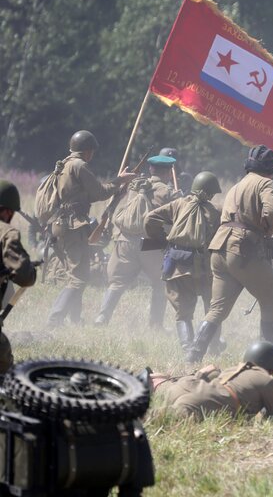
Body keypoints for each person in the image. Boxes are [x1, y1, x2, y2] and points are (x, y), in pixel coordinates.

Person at [185, 146, 273, 362]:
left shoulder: (236, 186)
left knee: (217, 308)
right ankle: (268, 356)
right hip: (243, 250)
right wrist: (268, 229)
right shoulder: (265, 182)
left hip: (219, 249)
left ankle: (194, 354)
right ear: (270, 168)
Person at [47, 130, 136, 328]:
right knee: (79, 277)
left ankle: (75, 319)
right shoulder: (80, 165)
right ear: (88, 151)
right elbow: (99, 193)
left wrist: (117, 187)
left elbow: (87, 195)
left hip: (61, 225)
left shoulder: (65, 164)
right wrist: (120, 180)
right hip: (73, 226)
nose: (92, 155)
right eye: (92, 151)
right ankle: (55, 318)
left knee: (76, 274)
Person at [94, 155, 180, 328]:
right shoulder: (169, 192)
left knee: (117, 282)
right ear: (169, 173)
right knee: (160, 283)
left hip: (124, 241)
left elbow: (115, 205)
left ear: (150, 169)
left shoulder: (133, 186)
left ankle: (102, 318)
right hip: (150, 245)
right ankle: (155, 326)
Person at [143, 171, 222, 351]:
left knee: (183, 312)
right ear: (210, 193)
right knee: (213, 309)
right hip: (204, 267)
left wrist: (162, 239)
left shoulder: (178, 204)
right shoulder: (216, 210)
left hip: (177, 265)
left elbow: (150, 218)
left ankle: (187, 348)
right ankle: (213, 346)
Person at [162, 341, 273, 422]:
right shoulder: (266, 381)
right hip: (202, 404)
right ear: (272, 369)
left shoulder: (234, 370)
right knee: (157, 419)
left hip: (187, 390)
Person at [0, 180, 38, 373]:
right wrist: (31, 271)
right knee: (4, 365)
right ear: (6, 211)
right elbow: (24, 276)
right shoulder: (6, 233)